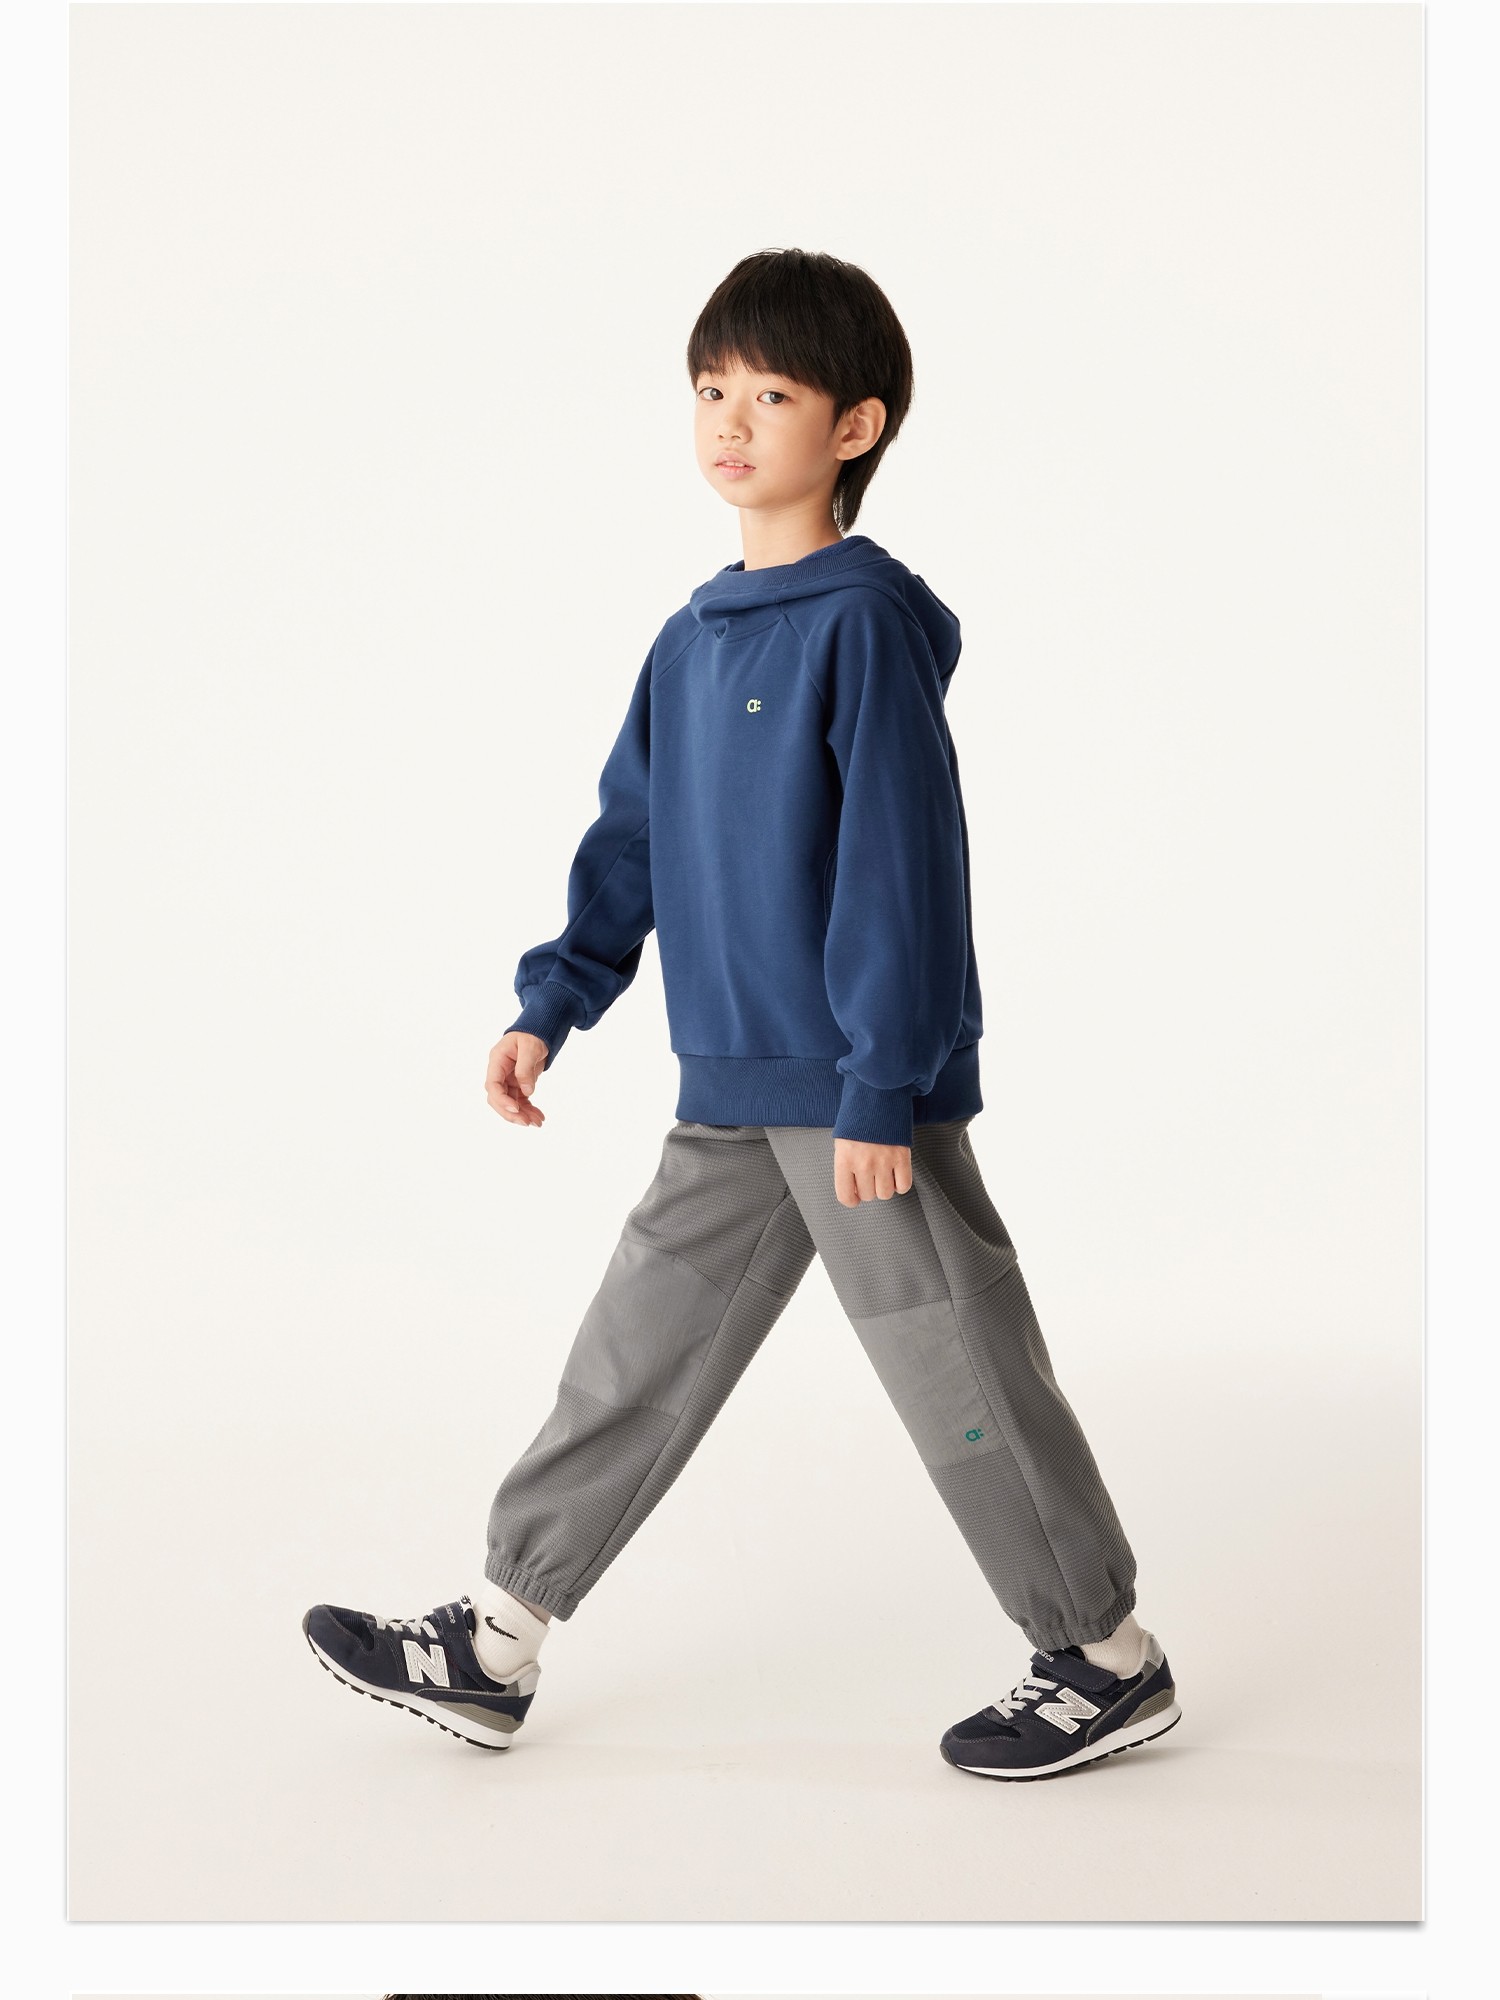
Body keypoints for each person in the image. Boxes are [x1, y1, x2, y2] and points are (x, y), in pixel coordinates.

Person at [304, 248, 1179, 1781]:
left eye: (771, 393)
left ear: (855, 426)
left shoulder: (863, 626)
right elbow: (633, 837)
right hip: (727, 1084)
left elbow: (903, 867)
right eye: (711, 388)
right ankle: (497, 1641)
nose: (729, 418)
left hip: (852, 1096)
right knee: (633, 1354)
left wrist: (880, 1085)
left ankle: (1103, 1657)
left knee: (958, 1370)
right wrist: (554, 999)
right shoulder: (692, 636)